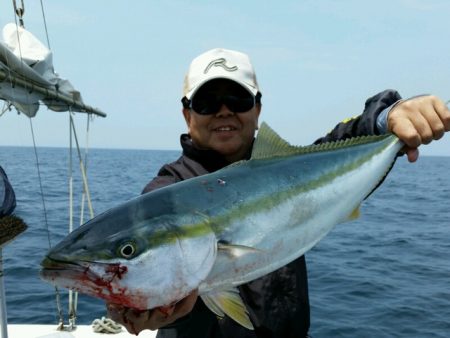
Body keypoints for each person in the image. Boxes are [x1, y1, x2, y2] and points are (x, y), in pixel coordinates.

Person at [107, 48, 450, 337]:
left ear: (257, 109)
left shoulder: (289, 167)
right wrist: (131, 300)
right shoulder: (169, 192)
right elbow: (138, 249)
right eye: (207, 102)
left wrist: (388, 116)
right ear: (187, 115)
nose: (224, 110)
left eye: (237, 99)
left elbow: (340, 144)